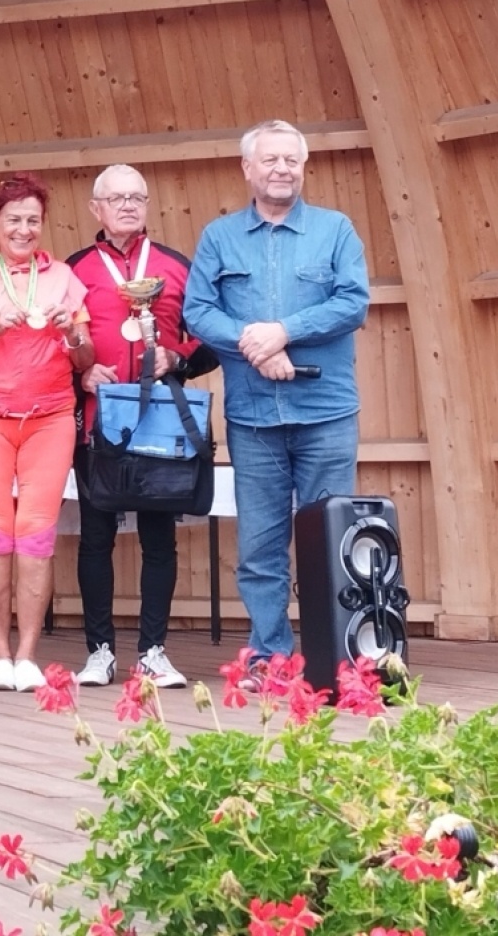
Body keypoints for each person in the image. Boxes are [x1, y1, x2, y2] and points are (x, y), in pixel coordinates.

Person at [183, 120, 369, 661]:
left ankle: (335, 659)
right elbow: (198, 311)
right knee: (260, 549)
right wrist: (257, 345)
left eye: (291, 160)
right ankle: (270, 656)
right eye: (270, 159)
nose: (282, 169)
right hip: (253, 418)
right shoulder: (219, 237)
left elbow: (352, 303)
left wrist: (284, 331)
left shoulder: (336, 230)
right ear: (248, 168)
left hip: (326, 415)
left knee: (332, 543)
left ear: (303, 167)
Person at [0, 173, 95, 692]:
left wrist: (70, 332)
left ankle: (27, 656)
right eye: (13, 220)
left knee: (35, 533)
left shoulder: (64, 279)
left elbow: (85, 357)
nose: (23, 229)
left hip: (49, 418)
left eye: (32, 220)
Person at [66, 165, 217, 688]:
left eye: (136, 197)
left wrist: (177, 359)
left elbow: (211, 338)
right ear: (97, 208)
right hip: (99, 423)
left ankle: (153, 651)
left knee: (159, 541)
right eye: (116, 198)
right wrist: (81, 373)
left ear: (148, 205)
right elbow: (53, 344)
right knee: (95, 538)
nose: (128, 205)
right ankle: (99, 652)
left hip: (161, 426)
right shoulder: (74, 270)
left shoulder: (176, 267)